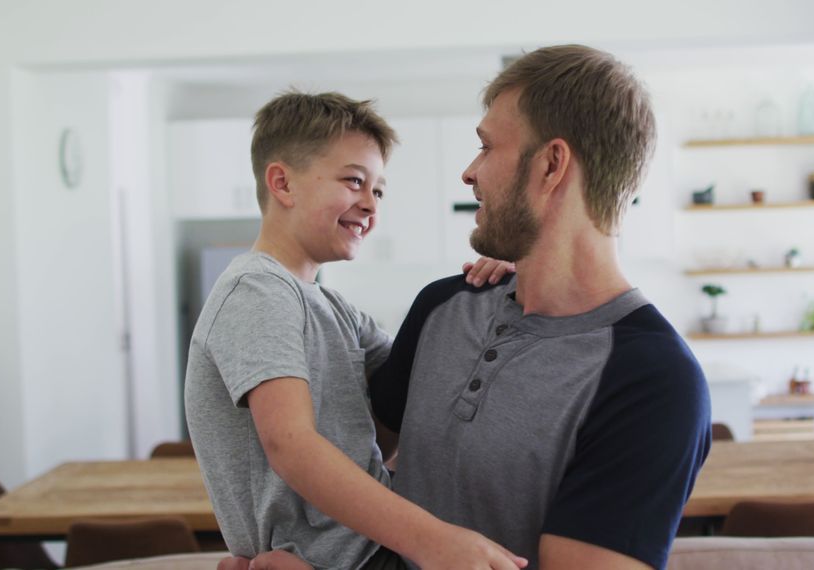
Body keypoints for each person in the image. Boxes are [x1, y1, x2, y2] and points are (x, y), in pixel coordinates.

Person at [368, 45, 712, 570]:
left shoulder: (655, 380)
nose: (469, 172)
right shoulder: (443, 306)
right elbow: (354, 462)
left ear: (551, 165)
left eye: (485, 147)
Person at [184, 91, 526, 570]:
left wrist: (504, 276)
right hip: (342, 560)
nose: (370, 205)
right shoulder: (255, 291)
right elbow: (292, 446)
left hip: (364, 551)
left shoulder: (333, 308)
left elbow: (406, 395)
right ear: (282, 183)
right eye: (353, 182)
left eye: (378, 191)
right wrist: (432, 540)